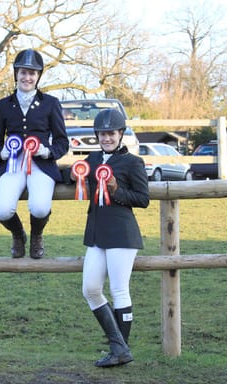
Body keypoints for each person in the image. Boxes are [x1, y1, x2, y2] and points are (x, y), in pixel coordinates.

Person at [72, 108, 149, 367]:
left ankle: (120, 350)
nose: (107, 138)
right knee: (90, 289)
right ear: (97, 135)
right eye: (103, 134)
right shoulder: (92, 160)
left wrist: (116, 190)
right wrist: (71, 174)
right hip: (96, 233)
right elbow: (74, 178)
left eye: (111, 134)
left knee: (119, 289)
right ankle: (119, 346)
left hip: (121, 233)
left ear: (121, 134)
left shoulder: (133, 163)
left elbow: (142, 199)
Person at [0, 49, 69, 259]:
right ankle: (18, 234)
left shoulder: (50, 103)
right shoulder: (3, 105)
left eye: (32, 73)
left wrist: (47, 151)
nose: (27, 77)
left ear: (38, 76)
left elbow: (63, 142)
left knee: (40, 208)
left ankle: (37, 234)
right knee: (1, 210)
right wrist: (3, 153)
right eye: (23, 72)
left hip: (41, 165)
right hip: (13, 165)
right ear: (16, 74)